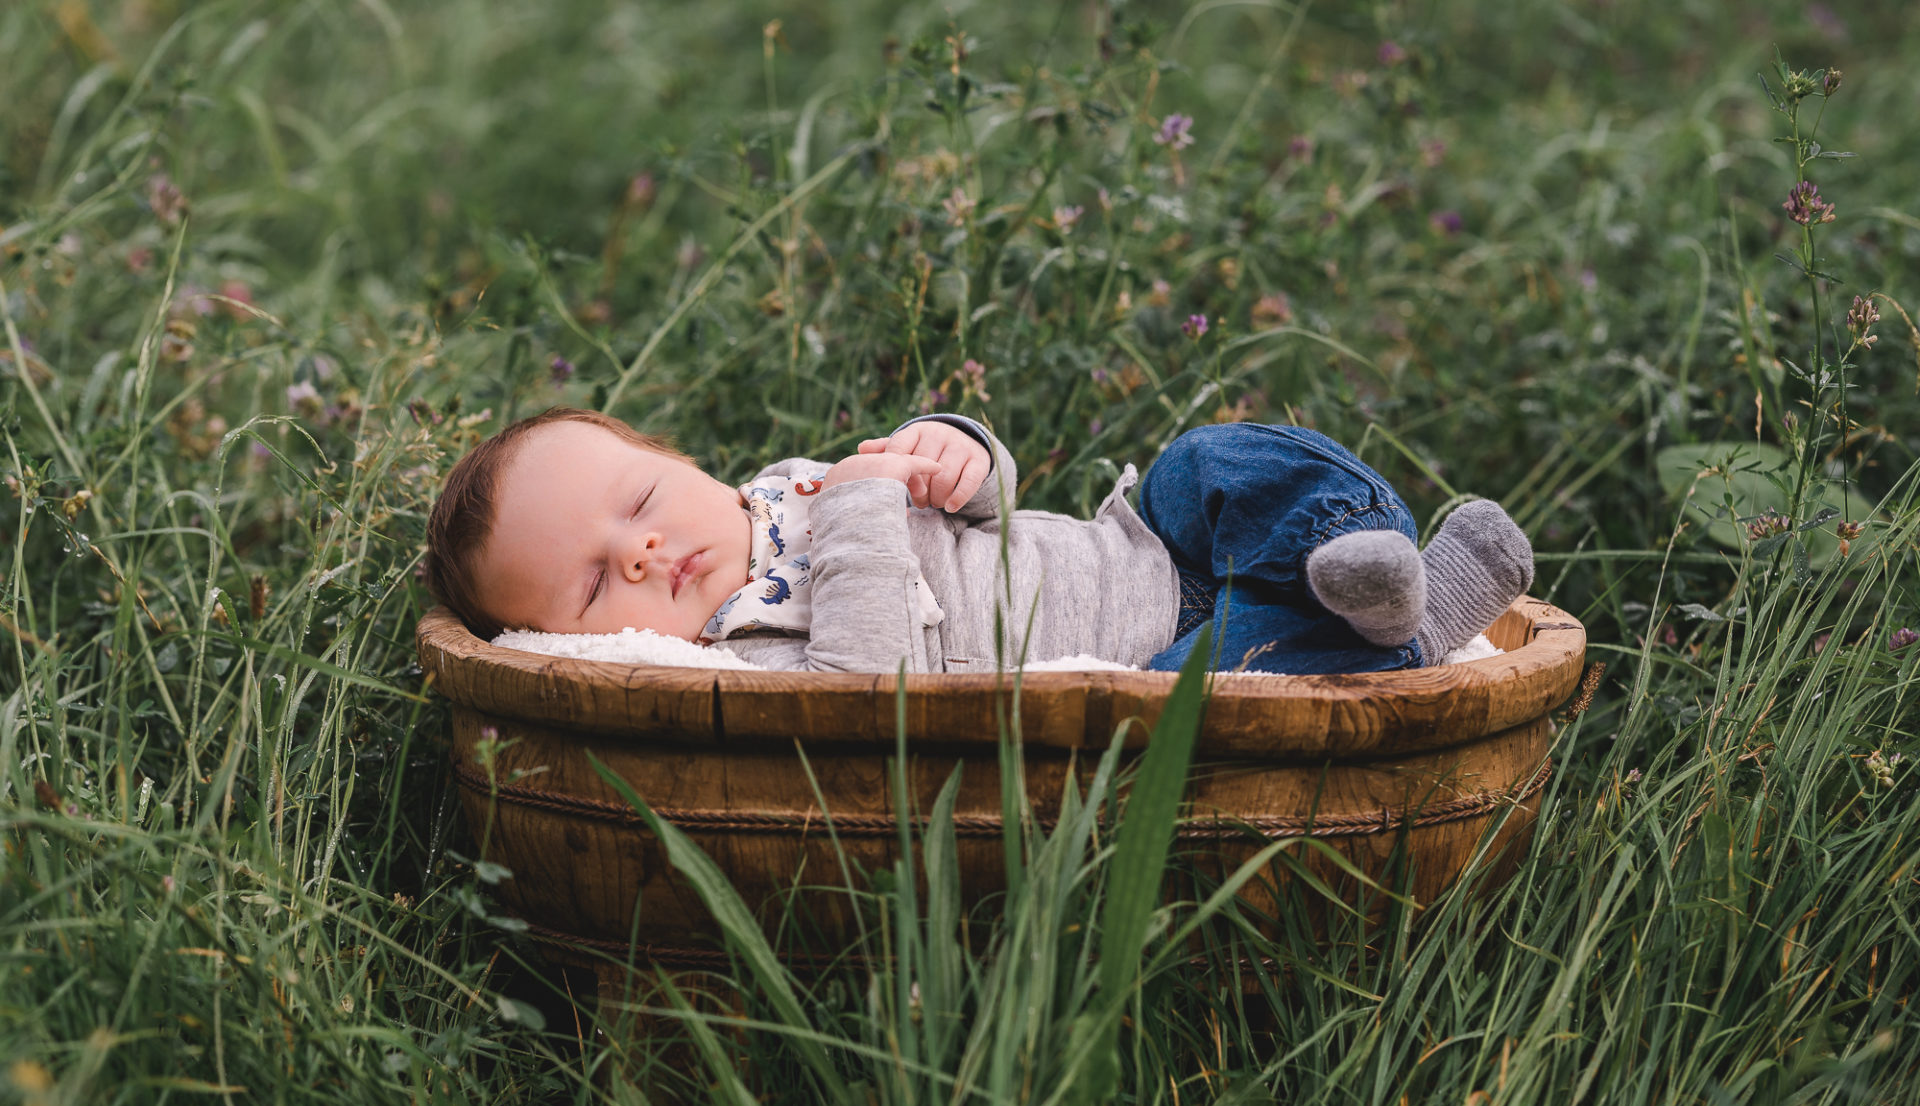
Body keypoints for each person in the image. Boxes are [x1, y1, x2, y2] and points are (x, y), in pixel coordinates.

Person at [424, 405, 1532, 674]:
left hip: (1142, 547)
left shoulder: (781, 487)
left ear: (678, 458)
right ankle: (1416, 622)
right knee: (1241, 688)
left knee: (1212, 460)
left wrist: (953, 446)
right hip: (1151, 660)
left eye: (640, 498)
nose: (642, 551)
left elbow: (987, 504)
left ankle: (1366, 554)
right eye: (588, 583)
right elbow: (874, 681)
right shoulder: (740, 652)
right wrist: (860, 503)